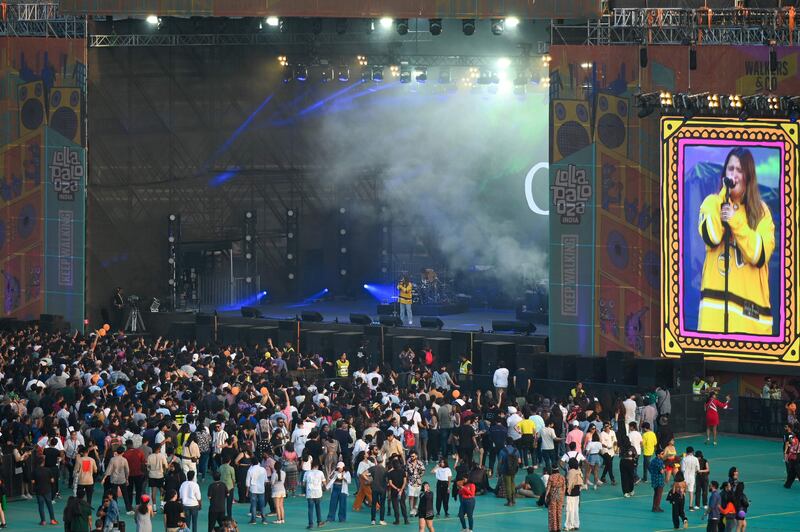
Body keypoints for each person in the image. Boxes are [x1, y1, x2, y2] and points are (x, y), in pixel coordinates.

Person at [697, 146, 775, 335]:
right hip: (714, 322)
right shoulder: (712, 203)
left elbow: (759, 254)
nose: (734, 175)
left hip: (751, 322)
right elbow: (713, 237)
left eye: (740, 170)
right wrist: (723, 200)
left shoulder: (761, 212)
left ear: (749, 176)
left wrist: (735, 220)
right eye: (730, 169)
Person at [32, 457, 58, 526]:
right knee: (49, 505)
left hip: (39, 491)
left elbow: (33, 481)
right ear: (43, 462)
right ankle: (52, 520)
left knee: (41, 506)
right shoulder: (48, 470)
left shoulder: (35, 471)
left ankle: (43, 521)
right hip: (47, 490)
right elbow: (52, 480)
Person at [245, 457, 268, 525]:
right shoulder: (263, 469)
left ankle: (253, 520)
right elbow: (265, 480)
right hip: (261, 489)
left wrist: (247, 491)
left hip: (253, 489)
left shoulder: (250, 470)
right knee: (262, 505)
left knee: (253, 505)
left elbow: (247, 483)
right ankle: (264, 519)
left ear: (251, 463)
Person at [387, 458, 409, 525]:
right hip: (401, 491)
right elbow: (405, 482)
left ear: (393, 465)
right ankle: (406, 520)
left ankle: (397, 520)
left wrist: (397, 489)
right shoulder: (403, 472)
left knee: (395, 506)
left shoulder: (390, 473)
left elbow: (390, 483)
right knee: (403, 506)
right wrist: (401, 490)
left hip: (394, 491)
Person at [304, 461, 326, 529]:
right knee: (318, 508)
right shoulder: (320, 472)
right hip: (318, 493)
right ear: (317, 466)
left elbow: (303, 483)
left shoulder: (307, 473)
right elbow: (324, 482)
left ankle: (311, 524)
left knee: (310, 509)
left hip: (310, 493)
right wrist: (324, 487)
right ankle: (319, 522)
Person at [564, 458, 583, 531]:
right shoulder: (579, 471)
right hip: (577, 492)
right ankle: (576, 524)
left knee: (569, 510)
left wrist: (567, 490)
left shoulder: (571, 472)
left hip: (571, 493)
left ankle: (569, 525)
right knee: (575, 509)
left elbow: (569, 482)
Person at [545, 467, 565, 532]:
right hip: (560, 496)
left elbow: (548, 488)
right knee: (559, 512)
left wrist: (546, 497)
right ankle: (559, 527)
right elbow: (564, 488)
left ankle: (553, 528)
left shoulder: (551, 477)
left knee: (552, 512)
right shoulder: (562, 477)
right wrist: (562, 496)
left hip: (552, 496)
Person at [369, 459, 389, 525]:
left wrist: (369, 480)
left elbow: (363, 473)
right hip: (383, 489)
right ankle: (381, 520)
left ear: (376, 461)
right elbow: (387, 480)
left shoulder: (373, 468)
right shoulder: (385, 470)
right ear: (382, 461)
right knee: (382, 505)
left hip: (374, 488)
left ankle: (373, 520)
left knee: (374, 504)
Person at [681, 446, 700, 512]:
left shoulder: (684, 459)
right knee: (691, 491)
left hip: (685, 477)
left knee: (683, 491)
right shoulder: (696, 459)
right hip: (692, 477)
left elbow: (682, 469)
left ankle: (682, 505)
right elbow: (698, 469)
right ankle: (690, 506)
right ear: (692, 452)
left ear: (687, 452)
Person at [271, 460, 287, 524]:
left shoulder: (274, 474)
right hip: (282, 490)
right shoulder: (283, 473)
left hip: (276, 491)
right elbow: (283, 482)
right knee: (281, 506)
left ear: (275, 467)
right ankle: (282, 519)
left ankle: (278, 519)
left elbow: (272, 483)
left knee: (277, 506)